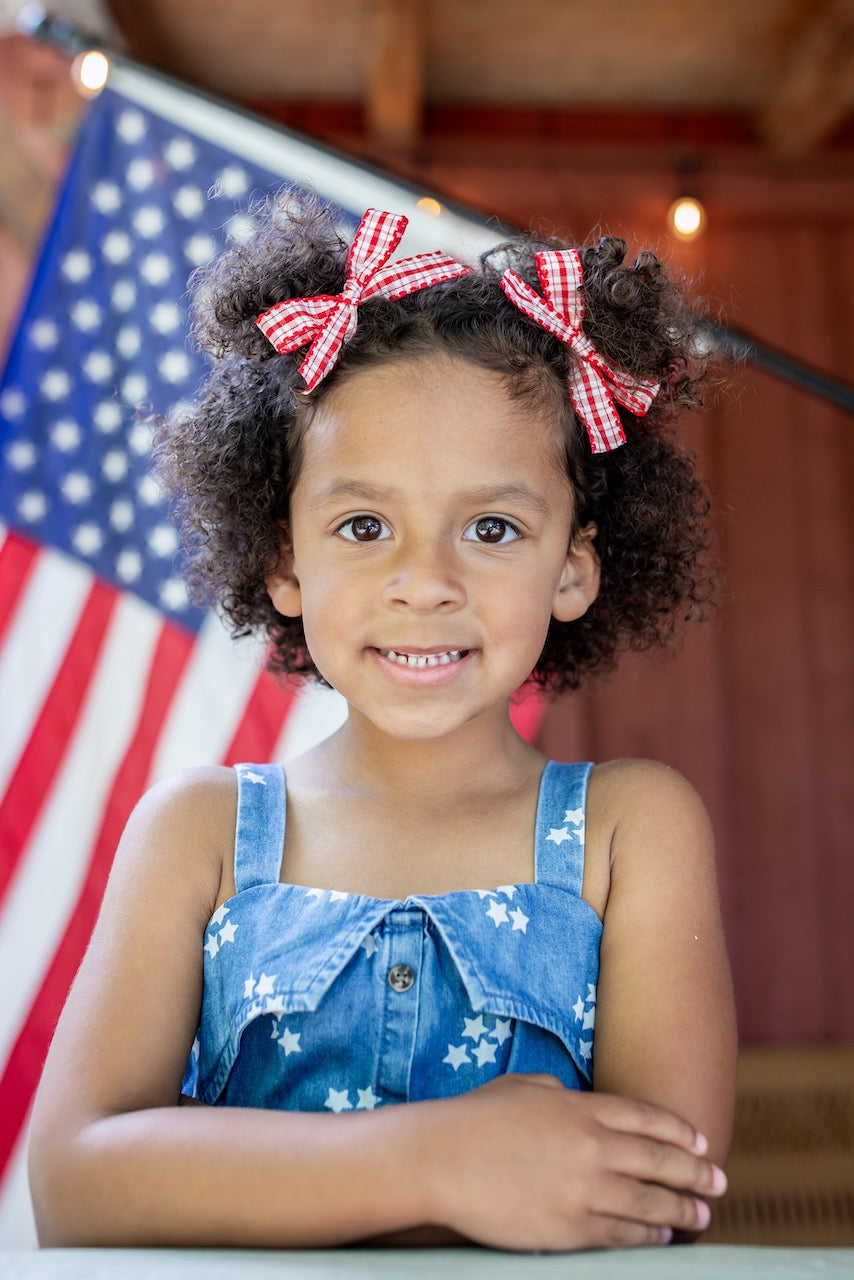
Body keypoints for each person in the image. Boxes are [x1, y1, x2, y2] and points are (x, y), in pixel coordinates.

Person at [28, 200, 737, 1253]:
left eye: (491, 527)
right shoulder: (201, 832)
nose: (424, 582)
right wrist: (436, 1157)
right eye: (363, 525)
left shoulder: (629, 828)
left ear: (573, 566)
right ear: (283, 562)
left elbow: (657, 1185)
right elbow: (74, 1177)